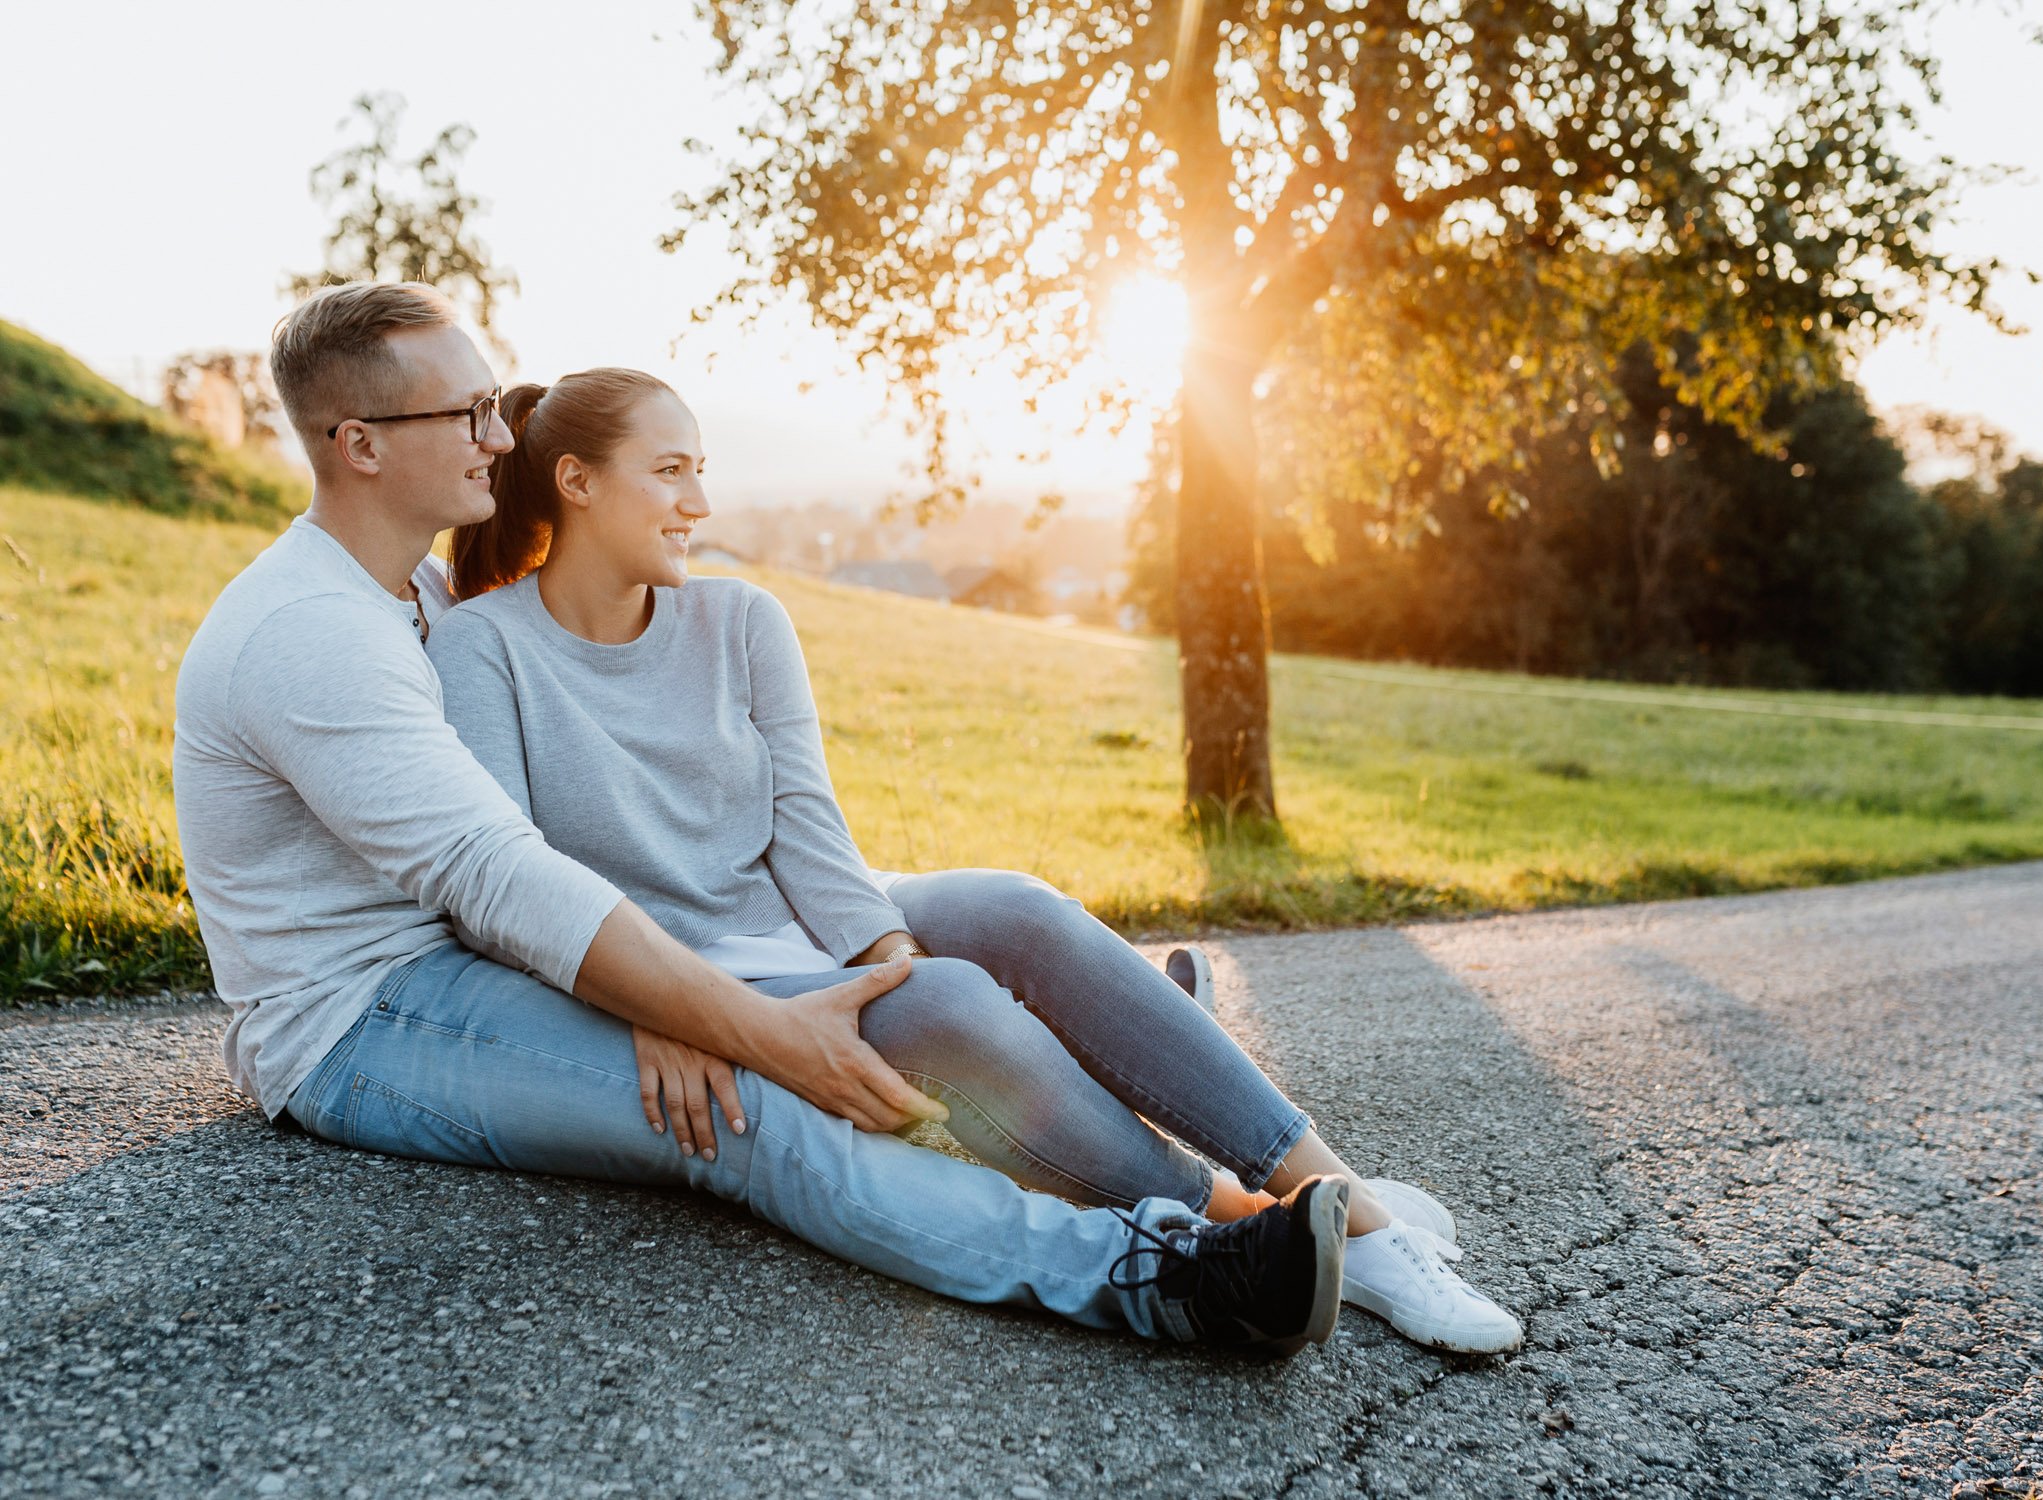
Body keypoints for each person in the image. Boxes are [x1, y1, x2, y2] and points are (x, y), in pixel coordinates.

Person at [171, 280, 1356, 1356]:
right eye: (468, 413)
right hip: (367, 1016)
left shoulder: (415, 590)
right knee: (742, 1113)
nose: (498, 435)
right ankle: (1164, 1275)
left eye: (495, 405)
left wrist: (683, 995)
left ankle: (1099, 1076)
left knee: (987, 922)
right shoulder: (313, 635)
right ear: (361, 444)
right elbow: (494, 873)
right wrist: (730, 1025)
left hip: (489, 950)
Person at [424, 366, 1522, 1354]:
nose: (700, 503)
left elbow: (808, 825)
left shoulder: (742, 620)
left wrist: (885, 952)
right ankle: (1249, 1219)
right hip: (694, 971)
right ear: (576, 481)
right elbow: (516, 885)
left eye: (701, 470)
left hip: (797, 915)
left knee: (1017, 910)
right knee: (949, 1005)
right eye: (670, 472)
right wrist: (664, 1005)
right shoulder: (484, 648)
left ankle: (1352, 1211)